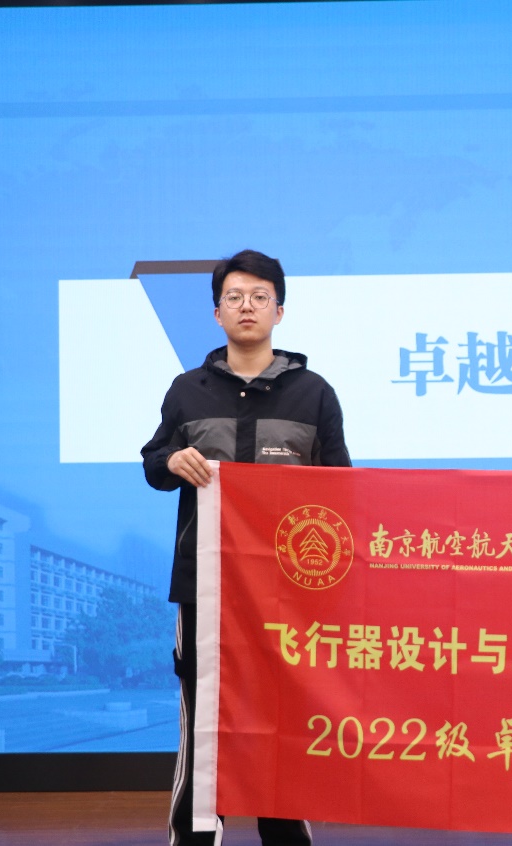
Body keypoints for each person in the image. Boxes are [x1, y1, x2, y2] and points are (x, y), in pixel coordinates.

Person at [141, 249, 352, 846]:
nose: (247, 307)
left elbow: (341, 491)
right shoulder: (187, 391)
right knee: (201, 722)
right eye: (234, 297)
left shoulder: (314, 393)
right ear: (217, 313)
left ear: (279, 311)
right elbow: (154, 462)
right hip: (204, 590)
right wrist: (171, 461)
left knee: (281, 722)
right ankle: (195, 837)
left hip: (287, 595)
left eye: (260, 297)